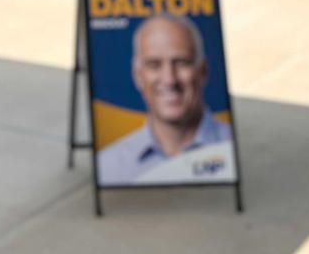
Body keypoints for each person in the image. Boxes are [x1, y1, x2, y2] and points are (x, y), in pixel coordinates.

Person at [96, 14, 232, 186]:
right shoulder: (109, 167)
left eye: (182, 63)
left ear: (203, 72)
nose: (169, 80)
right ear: (138, 76)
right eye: (154, 65)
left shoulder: (230, 147)